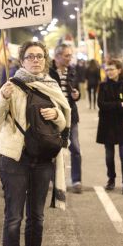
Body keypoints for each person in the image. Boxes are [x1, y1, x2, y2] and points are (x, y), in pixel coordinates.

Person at [0, 41, 71, 246]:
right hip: (14, 159)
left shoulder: (52, 86)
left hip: (43, 158)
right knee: (14, 217)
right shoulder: (11, 85)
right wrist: (3, 97)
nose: (35, 60)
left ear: (45, 60)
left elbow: (65, 122)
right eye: (30, 56)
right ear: (21, 61)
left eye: (39, 56)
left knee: (37, 216)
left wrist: (57, 115)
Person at [96, 59, 123, 196]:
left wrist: (113, 105)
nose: (109, 72)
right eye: (107, 69)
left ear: (119, 70)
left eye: (112, 69)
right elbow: (101, 105)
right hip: (107, 126)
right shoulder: (103, 86)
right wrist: (119, 105)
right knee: (109, 156)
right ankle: (111, 179)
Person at [49, 44, 82, 194]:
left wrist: (77, 95)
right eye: (67, 56)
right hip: (53, 117)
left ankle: (76, 180)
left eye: (70, 55)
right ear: (57, 56)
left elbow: (76, 92)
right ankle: (56, 182)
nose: (70, 58)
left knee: (75, 148)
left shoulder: (73, 71)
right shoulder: (48, 72)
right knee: (53, 150)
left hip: (71, 116)